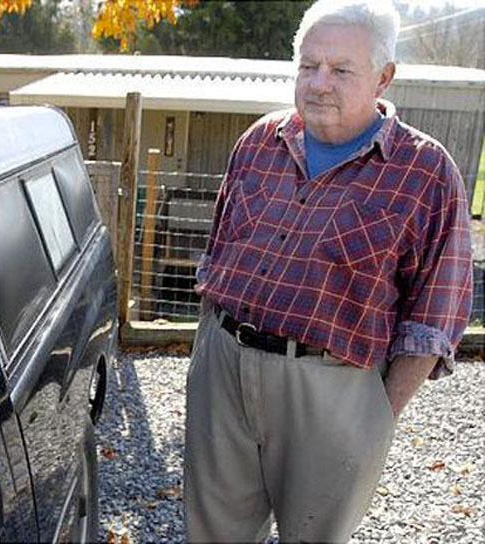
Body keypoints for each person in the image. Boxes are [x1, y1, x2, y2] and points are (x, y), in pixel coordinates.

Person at [184, 0, 473, 542]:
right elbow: (217, 252)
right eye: (309, 65)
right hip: (223, 367)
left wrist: (375, 416)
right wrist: (207, 357)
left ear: (384, 77)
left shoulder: (425, 171)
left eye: (341, 70)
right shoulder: (258, 142)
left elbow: (435, 315)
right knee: (211, 533)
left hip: (333, 387)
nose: (319, 83)